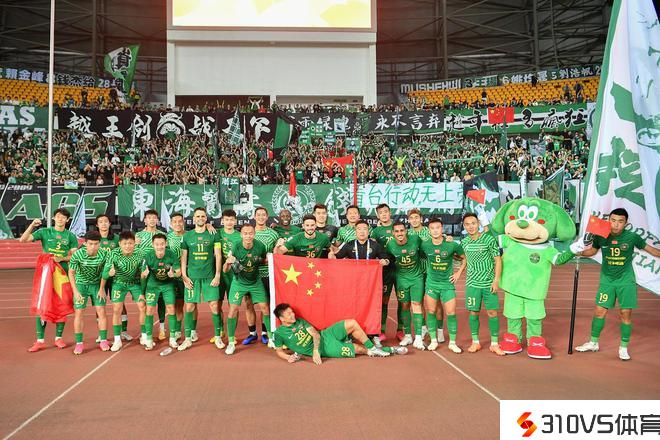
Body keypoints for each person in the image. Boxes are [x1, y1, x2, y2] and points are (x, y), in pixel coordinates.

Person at [575, 208, 660, 361]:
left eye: (620, 222)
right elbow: (592, 251)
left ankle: (623, 348)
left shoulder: (632, 237)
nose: (616, 224)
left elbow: (652, 250)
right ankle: (593, 343)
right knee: (599, 311)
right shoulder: (601, 236)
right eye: (613, 220)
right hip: (607, 280)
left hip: (626, 281)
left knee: (625, 313)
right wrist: (579, 252)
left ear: (626, 223)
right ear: (609, 220)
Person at [21, 208, 79, 352]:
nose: (60, 219)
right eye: (58, 216)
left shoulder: (71, 236)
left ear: (67, 220)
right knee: (43, 304)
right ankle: (40, 340)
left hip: (63, 275)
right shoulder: (45, 232)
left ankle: (58, 338)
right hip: (46, 274)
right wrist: (32, 225)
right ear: (53, 218)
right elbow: (23, 240)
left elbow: (75, 256)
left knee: (62, 304)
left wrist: (62, 258)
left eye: (63, 217)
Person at [272, 303, 406, 363]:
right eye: (289, 314)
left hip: (325, 335)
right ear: (282, 319)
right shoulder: (278, 333)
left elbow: (315, 334)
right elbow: (279, 351)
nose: (293, 314)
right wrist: (287, 358)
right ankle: (392, 349)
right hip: (327, 348)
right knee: (358, 349)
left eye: (292, 312)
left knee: (352, 323)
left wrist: (315, 351)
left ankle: (373, 348)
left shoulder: (300, 321)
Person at [329, 220, 390, 347]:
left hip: (370, 284)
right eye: (359, 229)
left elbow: (386, 257)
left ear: (368, 231)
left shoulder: (375, 245)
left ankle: (374, 335)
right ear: (355, 231)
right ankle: (350, 335)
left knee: (372, 307)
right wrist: (331, 255)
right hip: (354, 284)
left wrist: (385, 261)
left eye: (364, 229)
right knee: (352, 306)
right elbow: (337, 258)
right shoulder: (349, 245)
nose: (362, 232)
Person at [457, 213, 504, 356]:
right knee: (473, 313)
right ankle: (475, 342)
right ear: (464, 226)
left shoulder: (488, 239)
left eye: (473, 223)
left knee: (492, 313)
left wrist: (496, 280)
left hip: (489, 284)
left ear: (478, 224)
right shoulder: (464, 242)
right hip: (472, 284)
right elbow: (463, 259)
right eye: (467, 224)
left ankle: (494, 344)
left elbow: (498, 260)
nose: (471, 226)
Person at [178, 207, 223, 351]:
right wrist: (184, 276)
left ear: (206, 218)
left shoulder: (214, 234)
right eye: (197, 216)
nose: (200, 218)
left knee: (214, 306)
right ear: (193, 218)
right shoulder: (187, 236)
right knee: (189, 307)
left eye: (203, 216)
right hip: (192, 277)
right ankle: (187, 339)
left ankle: (218, 337)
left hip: (209, 277)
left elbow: (218, 255)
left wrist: (217, 274)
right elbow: (184, 257)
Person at [223, 223, 269, 355]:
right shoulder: (236, 247)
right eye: (245, 233)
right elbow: (225, 270)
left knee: (265, 307)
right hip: (239, 283)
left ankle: (271, 338)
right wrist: (228, 262)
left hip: (255, 281)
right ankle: (231, 343)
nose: (248, 236)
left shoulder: (260, 246)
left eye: (250, 233)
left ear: (254, 234)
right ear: (241, 235)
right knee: (233, 310)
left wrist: (268, 259)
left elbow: (263, 260)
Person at [420, 218, 465, 352]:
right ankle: (434, 341)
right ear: (429, 230)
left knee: (451, 313)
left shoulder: (452, 245)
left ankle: (452, 343)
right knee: (431, 311)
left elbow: (464, 258)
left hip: (447, 284)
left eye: (438, 228)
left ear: (442, 229)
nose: (435, 230)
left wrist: (458, 273)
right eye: (432, 228)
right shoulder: (425, 245)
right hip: (432, 284)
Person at [102, 231, 145, 352]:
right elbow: (105, 273)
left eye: (130, 243)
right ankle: (117, 340)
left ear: (134, 243)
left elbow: (143, 274)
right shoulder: (113, 254)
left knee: (143, 307)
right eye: (125, 243)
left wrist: (143, 282)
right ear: (120, 244)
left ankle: (144, 335)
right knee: (117, 310)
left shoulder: (140, 253)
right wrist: (109, 274)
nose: (128, 246)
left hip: (135, 283)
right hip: (119, 284)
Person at [242, 206, 279, 345]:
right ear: (254, 216)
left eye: (264, 215)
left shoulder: (273, 234)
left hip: (267, 274)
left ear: (267, 216)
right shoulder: (249, 232)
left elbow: (276, 253)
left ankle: (265, 332)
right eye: (258, 215)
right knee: (248, 303)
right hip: (250, 275)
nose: (261, 217)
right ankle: (252, 333)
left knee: (266, 305)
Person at [69, 231, 110, 354]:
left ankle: (103, 340)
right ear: (85, 243)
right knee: (79, 312)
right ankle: (79, 343)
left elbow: (105, 273)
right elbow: (71, 273)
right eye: (91, 244)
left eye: (96, 244)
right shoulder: (78, 255)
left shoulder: (104, 254)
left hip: (97, 285)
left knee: (101, 311)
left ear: (99, 244)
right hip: (81, 285)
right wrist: (75, 291)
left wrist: (102, 288)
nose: (93, 247)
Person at [386, 222, 425, 349]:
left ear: (406, 231)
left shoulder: (415, 239)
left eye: (402, 230)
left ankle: (418, 337)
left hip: (416, 278)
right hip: (401, 279)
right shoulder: (390, 245)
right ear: (393, 233)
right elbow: (387, 258)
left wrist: (445, 238)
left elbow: (427, 249)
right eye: (397, 231)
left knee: (416, 304)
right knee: (404, 305)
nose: (400, 233)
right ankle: (408, 335)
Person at [141, 234, 181, 350]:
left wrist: (173, 274)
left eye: (162, 244)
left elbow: (179, 272)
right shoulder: (148, 256)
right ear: (153, 245)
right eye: (157, 244)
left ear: (166, 244)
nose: (159, 247)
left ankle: (172, 338)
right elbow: (143, 275)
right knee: (149, 309)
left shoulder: (171, 254)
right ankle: (149, 339)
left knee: (171, 308)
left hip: (167, 285)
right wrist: (144, 275)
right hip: (153, 286)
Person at [209, 209, 242, 345]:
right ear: (222, 221)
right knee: (216, 304)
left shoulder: (240, 236)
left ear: (235, 221)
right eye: (226, 220)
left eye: (231, 220)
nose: (229, 222)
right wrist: (208, 225)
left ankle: (232, 334)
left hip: (234, 275)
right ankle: (220, 330)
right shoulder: (216, 233)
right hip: (218, 274)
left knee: (233, 305)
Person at [96, 214, 130, 341]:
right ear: (97, 225)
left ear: (110, 224)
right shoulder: (94, 239)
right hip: (100, 276)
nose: (103, 224)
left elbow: (125, 251)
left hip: (116, 276)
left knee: (120, 304)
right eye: (101, 222)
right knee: (100, 304)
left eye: (106, 221)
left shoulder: (116, 239)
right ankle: (101, 334)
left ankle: (124, 331)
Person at [135, 209, 166, 340]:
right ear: (145, 220)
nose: (152, 220)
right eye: (149, 218)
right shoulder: (138, 236)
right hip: (144, 272)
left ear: (157, 220)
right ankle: (146, 333)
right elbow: (135, 253)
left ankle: (162, 328)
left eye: (154, 218)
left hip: (159, 271)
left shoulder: (163, 234)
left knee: (161, 301)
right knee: (145, 304)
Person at [370, 203, 399, 342]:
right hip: (385, 271)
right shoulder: (376, 232)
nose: (384, 214)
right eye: (381, 212)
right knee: (383, 302)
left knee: (403, 302)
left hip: (401, 269)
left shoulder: (398, 227)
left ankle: (401, 331)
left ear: (390, 212)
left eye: (386, 211)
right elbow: (372, 250)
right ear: (378, 215)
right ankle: (381, 331)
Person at [166, 212, 186, 343]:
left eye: (180, 221)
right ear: (171, 224)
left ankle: (191, 331)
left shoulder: (188, 236)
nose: (177, 224)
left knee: (189, 304)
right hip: (172, 277)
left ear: (183, 222)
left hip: (187, 275)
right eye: (175, 221)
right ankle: (176, 331)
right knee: (174, 305)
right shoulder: (167, 238)